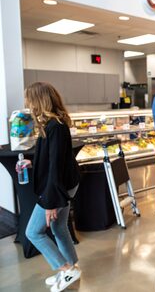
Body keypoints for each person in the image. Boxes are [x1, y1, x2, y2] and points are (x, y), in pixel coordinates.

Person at [24, 82, 81, 292]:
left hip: (58, 188)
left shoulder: (55, 127)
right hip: (65, 185)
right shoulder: (52, 124)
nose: (27, 104)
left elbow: (55, 168)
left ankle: (65, 269)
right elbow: (51, 159)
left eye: (29, 99)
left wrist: (51, 202)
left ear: (39, 100)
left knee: (33, 232)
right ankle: (71, 268)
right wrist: (33, 162)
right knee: (59, 228)